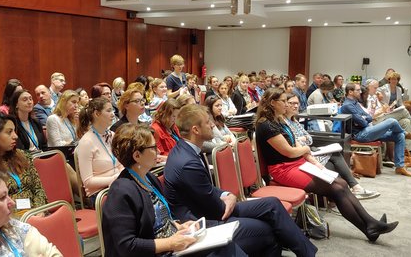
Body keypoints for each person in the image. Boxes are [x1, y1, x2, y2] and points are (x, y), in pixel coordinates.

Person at [164, 104, 317, 256]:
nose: (212, 124)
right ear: (195, 130)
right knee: (268, 229)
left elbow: (207, 190)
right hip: (200, 222)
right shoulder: (187, 163)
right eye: (207, 122)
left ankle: (308, 253)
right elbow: (216, 209)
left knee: (273, 204)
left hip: (212, 208)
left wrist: (226, 195)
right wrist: (228, 199)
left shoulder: (187, 150)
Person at [256, 87, 399, 242]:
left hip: (297, 163)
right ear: (272, 103)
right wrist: (305, 149)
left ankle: (370, 224)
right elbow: (290, 151)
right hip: (283, 170)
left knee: (342, 183)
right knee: (336, 189)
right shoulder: (267, 126)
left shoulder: (280, 120)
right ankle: (370, 227)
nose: (286, 104)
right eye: (283, 101)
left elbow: (296, 144)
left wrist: (311, 158)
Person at [103, 123, 247, 257]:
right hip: (160, 252)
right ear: (137, 156)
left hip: (172, 246)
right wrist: (171, 243)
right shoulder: (121, 191)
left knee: (226, 245)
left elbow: (161, 220)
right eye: (153, 148)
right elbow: (126, 245)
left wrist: (179, 226)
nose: (158, 150)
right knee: (225, 250)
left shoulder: (149, 178)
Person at [284, 93, 379, 200]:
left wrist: (303, 139)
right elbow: (295, 142)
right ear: (285, 105)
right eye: (292, 103)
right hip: (301, 158)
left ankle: (349, 190)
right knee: (334, 157)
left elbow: (309, 139)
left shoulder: (294, 120)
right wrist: (303, 140)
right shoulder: (284, 123)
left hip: (307, 152)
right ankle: (351, 189)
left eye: (297, 103)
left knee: (334, 156)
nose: (296, 106)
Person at [341, 83, 411, 177]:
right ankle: (405, 133)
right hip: (360, 135)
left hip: (367, 129)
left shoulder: (355, 103)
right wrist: (364, 118)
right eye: (357, 90)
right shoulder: (347, 105)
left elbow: (368, 117)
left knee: (399, 136)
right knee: (391, 121)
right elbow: (363, 122)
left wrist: (364, 118)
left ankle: (399, 167)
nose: (360, 92)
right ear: (350, 92)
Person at [75, 98, 123, 208]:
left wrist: (121, 176)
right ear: (97, 113)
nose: (113, 114)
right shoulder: (86, 142)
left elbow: (121, 164)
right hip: (99, 193)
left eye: (112, 110)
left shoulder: (112, 135)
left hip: (117, 185)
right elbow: (88, 182)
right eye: (109, 111)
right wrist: (113, 179)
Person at [363, 79, 411, 159]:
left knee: (405, 121)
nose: (376, 90)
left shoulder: (375, 96)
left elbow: (380, 107)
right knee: (403, 110)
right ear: (368, 87)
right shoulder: (365, 98)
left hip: (383, 116)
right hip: (376, 120)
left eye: (377, 87)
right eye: (375, 88)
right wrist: (382, 110)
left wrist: (387, 109)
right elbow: (369, 115)